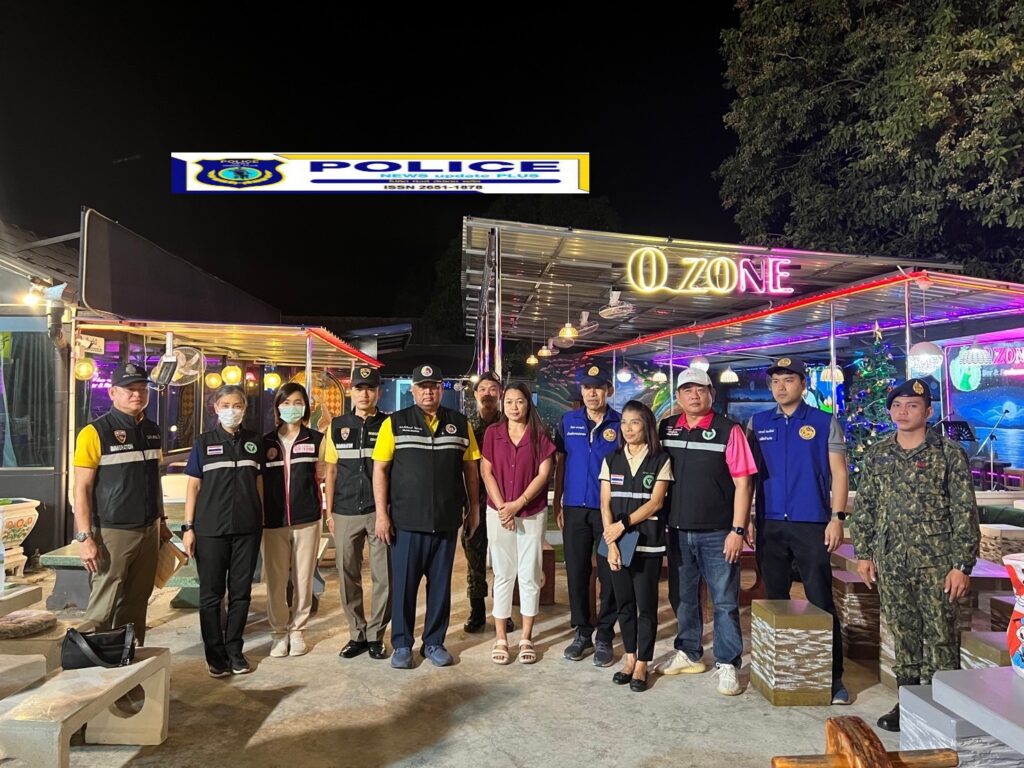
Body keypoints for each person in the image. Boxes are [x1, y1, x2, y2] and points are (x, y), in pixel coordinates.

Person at [852, 378, 979, 732]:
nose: (903, 412)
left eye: (912, 405)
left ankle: (942, 708)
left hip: (937, 562)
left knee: (940, 635)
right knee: (903, 633)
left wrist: (961, 565)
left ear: (928, 411)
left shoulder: (948, 453)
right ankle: (908, 704)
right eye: (897, 405)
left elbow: (964, 511)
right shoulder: (878, 453)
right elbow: (866, 506)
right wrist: (864, 553)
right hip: (891, 560)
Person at [748, 357, 851, 705]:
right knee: (774, 598)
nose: (781, 387)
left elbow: (839, 473)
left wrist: (837, 517)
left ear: (803, 384)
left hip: (812, 523)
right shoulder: (758, 423)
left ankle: (833, 678)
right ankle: (779, 668)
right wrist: (748, 517)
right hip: (770, 523)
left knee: (820, 599)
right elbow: (748, 476)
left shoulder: (823, 422)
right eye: (775, 381)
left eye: (788, 380)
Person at [372, 364, 480, 669]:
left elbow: (471, 469)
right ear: (413, 390)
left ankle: (434, 642)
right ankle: (402, 645)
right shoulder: (395, 423)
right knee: (404, 588)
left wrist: (473, 509)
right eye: (422, 386)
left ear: (441, 389)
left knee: (441, 587)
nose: (428, 391)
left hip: (445, 521)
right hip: (405, 523)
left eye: (434, 386)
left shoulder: (460, 424)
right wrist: (381, 514)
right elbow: (380, 469)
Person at [658, 367, 757, 696]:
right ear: (678, 396)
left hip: (718, 533)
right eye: (687, 390)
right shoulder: (666, 428)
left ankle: (727, 663)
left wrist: (737, 529)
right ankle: (689, 652)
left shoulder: (729, 430)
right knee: (684, 597)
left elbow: (743, 483)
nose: (694, 395)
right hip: (677, 530)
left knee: (724, 601)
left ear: (711, 393)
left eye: (700, 389)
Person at [73, 362, 173, 645]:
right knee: (104, 602)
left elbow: (154, 481)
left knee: (137, 600)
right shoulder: (94, 432)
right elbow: (81, 489)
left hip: (149, 530)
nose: (137, 394)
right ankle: (89, 658)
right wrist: (85, 537)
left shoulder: (152, 430)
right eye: (129, 389)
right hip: (113, 532)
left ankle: (128, 654)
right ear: (112, 393)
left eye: (142, 389)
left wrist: (162, 522)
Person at [181, 384, 263, 676]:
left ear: (245, 409)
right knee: (211, 595)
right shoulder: (203, 443)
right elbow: (193, 486)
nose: (231, 410)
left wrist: (261, 518)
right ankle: (215, 656)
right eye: (225, 405)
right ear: (215, 408)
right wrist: (188, 527)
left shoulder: (254, 442)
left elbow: (259, 483)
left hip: (247, 529)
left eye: (237, 405)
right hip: (210, 530)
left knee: (241, 593)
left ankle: (235, 651)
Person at [480, 382, 556, 664]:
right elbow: (486, 472)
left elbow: (543, 474)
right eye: (509, 401)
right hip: (498, 512)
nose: (514, 407)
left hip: (531, 513)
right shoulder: (493, 433)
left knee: (529, 573)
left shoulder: (539, 434)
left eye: (520, 401)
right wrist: (503, 507)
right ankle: (501, 637)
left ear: (528, 403)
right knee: (503, 573)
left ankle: (526, 637)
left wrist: (517, 504)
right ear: (503, 404)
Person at [600, 400, 672, 692]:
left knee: (646, 606)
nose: (628, 429)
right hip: (617, 547)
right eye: (624, 423)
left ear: (647, 426)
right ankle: (629, 658)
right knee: (624, 605)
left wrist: (623, 524)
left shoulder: (660, 459)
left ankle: (643, 662)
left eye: (635, 422)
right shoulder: (611, 459)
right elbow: (605, 503)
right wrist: (611, 541)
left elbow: (656, 502)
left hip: (647, 545)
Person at [553, 363, 621, 666]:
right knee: (577, 572)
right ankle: (582, 632)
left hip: (608, 512)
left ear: (609, 390)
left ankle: (605, 634)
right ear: (581, 391)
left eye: (598, 388)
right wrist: (558, 502)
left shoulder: (621, 423)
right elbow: (561, 463)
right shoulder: (568, 421)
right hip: (574, 509)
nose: (592, 393)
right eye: (587, 388)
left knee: (610, 574)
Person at [261, 382, 334, 658]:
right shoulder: (266, 442)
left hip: (307, 518)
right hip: (273, 521)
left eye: (297, 402)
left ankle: (298, 630)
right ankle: (278, 632)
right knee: (276, 580)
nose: (292, 407)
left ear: (305, 407)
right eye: (286, 402)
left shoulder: (316, 440)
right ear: (277, 407)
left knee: (304, 577)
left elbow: (324, 474)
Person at [324, 366, 391, 660]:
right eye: (359, 388)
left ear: (379, 392)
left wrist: (388, 511)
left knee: (383, 576)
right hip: (345, 510)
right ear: (351, 392)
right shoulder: (337, 426)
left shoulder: (389, 424)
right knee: (347, 574)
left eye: (370, 389)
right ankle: (357, 633)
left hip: (379, 512)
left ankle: (376, 635)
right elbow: (331, 471)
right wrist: (329, 512)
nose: (365, 394)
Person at [464, 371, 512, 634]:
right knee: (474, 556)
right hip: (472, 501)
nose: (488, 394)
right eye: (483, 389)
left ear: (500, 394)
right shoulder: (465, 425)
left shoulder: (510, 424)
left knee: (505, 557)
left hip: (503, 500)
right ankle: (477, 610)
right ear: (475, 394)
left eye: (493, 389)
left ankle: (503, 611)